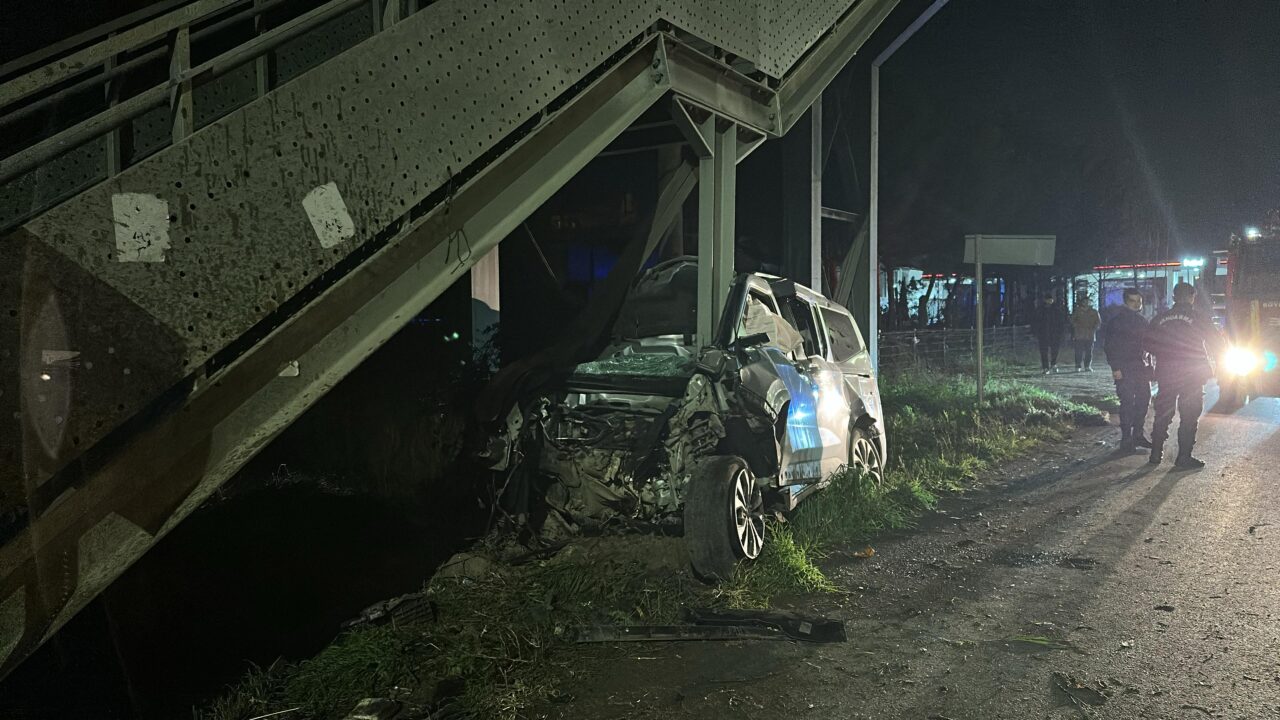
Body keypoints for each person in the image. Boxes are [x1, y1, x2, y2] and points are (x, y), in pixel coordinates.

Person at [1143, 282, 1225, 468]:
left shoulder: (1160, 318)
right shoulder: (1199, 317)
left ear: (1174, 297)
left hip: (1166, 372)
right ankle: (1184, 457)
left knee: (1163, 412)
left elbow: (1147, 344)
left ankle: (1155, 454)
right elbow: (1216, 342)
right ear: (1192, 297)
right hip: (1192, 373)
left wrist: (1165, 352)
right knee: (1189, 415)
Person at [1103, 288, 1153, 451]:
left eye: (1139, 301)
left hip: (1141, 367)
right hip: (1125, 368)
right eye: (1133, 301)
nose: (1137, 304)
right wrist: (1115, 367)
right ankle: (1126, 439)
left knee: (1143, 401)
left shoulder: (1142, 320)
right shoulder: (1117, 321)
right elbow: (1110, 346)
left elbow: (1149, 343)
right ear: (1126, 301)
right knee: (1127, 403)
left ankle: (1138, 435)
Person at [1032, 293, 1067, 374]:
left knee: (1055, 350)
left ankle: (1053, 363)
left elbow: (1062, 322)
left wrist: (1061, 332)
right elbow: (1035, 322)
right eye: (1048, 299)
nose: (1049, 301)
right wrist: (1035, 332)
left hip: (1055, 334)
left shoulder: (1057, 309)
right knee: (1044, 351)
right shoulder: (1040, 310)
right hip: (1043, 334)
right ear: (1045, 300)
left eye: (1050, 299)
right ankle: (1045, 367)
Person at [1071, 293, 1102, 372]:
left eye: (1088, 301)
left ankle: (1087, 366)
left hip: (1090, 334)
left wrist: (1094, 328)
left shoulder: (1094, 312)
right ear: (1082, 302)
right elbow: (1072, 320)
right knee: (1078, 351)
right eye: (1085, 301)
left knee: (1089, 351)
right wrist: (1076, 326)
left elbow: (1098, 322)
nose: (1086, 303)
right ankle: (1078, 366)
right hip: (1079, 334)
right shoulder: (1077, 311)